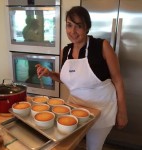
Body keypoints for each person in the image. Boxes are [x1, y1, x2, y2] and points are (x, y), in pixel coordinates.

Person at [35, 6, 128, 150]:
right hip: (75, 108)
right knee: (67, 145)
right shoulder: (65, 51)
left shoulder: (102, 46)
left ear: (87, 27)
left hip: (101, 110)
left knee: (93, 147)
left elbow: (118, 80)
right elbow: (70, 78)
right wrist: (50, 74)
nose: (73, 31)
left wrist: (122, 112)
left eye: (79, 26)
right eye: (69, 25)